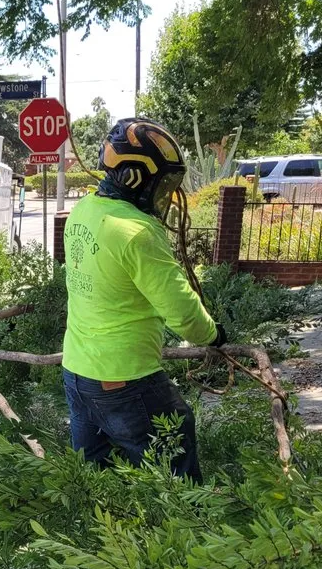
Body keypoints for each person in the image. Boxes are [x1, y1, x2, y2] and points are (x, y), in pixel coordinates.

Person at [62, 117, 227, 482]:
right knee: (174, 454)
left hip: (77, 372)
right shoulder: (137, 232)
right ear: (134, 178)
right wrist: (214, 336)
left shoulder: (83, 211)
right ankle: (187, 531)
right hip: (124, 378)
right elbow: (182, 313)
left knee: (97, 479)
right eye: (162, 183)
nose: (165, 193)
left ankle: (109, 537)